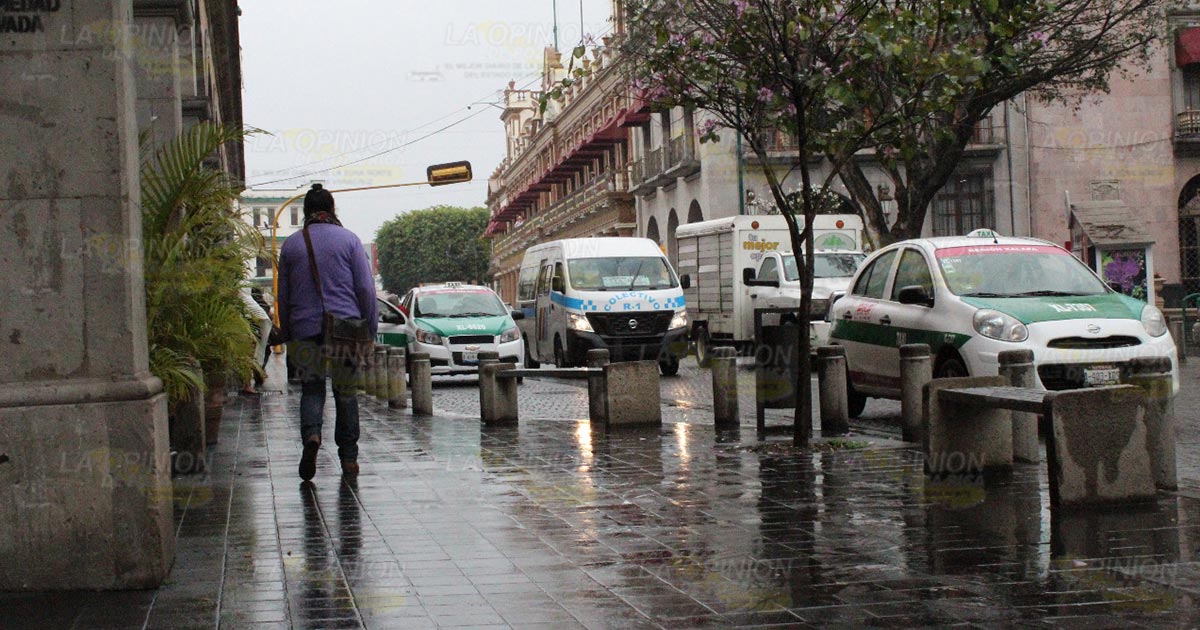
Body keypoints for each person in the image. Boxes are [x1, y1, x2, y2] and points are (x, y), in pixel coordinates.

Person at [277, 184, 377, 480]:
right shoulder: (349, 241)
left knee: (311, 389)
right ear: (332, 210)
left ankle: (312, 436)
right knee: (345, 392)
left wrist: (286, 329)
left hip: (305, 330)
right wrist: (369, 329)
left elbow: (283, 295)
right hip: (345, 329)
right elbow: (365, 289)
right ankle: (348, 458)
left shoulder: (292, 245)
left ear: (306, 212)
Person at [239, 285, 272, 395]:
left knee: (249, 350)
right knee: (249, 350)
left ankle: (249, 381)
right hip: (247, 316)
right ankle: (248, 381)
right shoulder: (243, 290)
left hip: (248, 316)